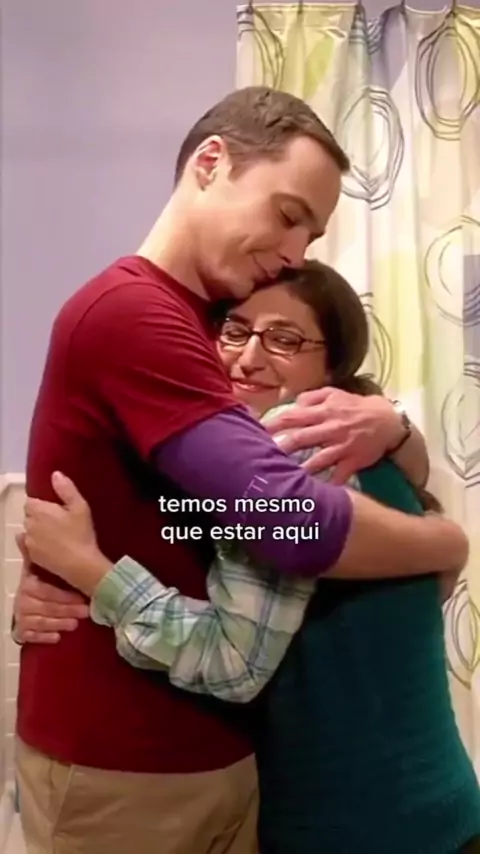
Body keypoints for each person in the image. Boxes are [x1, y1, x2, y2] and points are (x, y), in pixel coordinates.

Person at [15, 86, 469, 854]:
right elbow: (286, 521)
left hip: (238, 763)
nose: (296, 251)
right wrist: (443, 540)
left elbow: (249, 515)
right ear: (211, 162)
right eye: (287, 214)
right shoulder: (138, 315)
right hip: (128, 760)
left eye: (310, 234)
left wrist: (402, 443)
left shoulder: (218, 331)